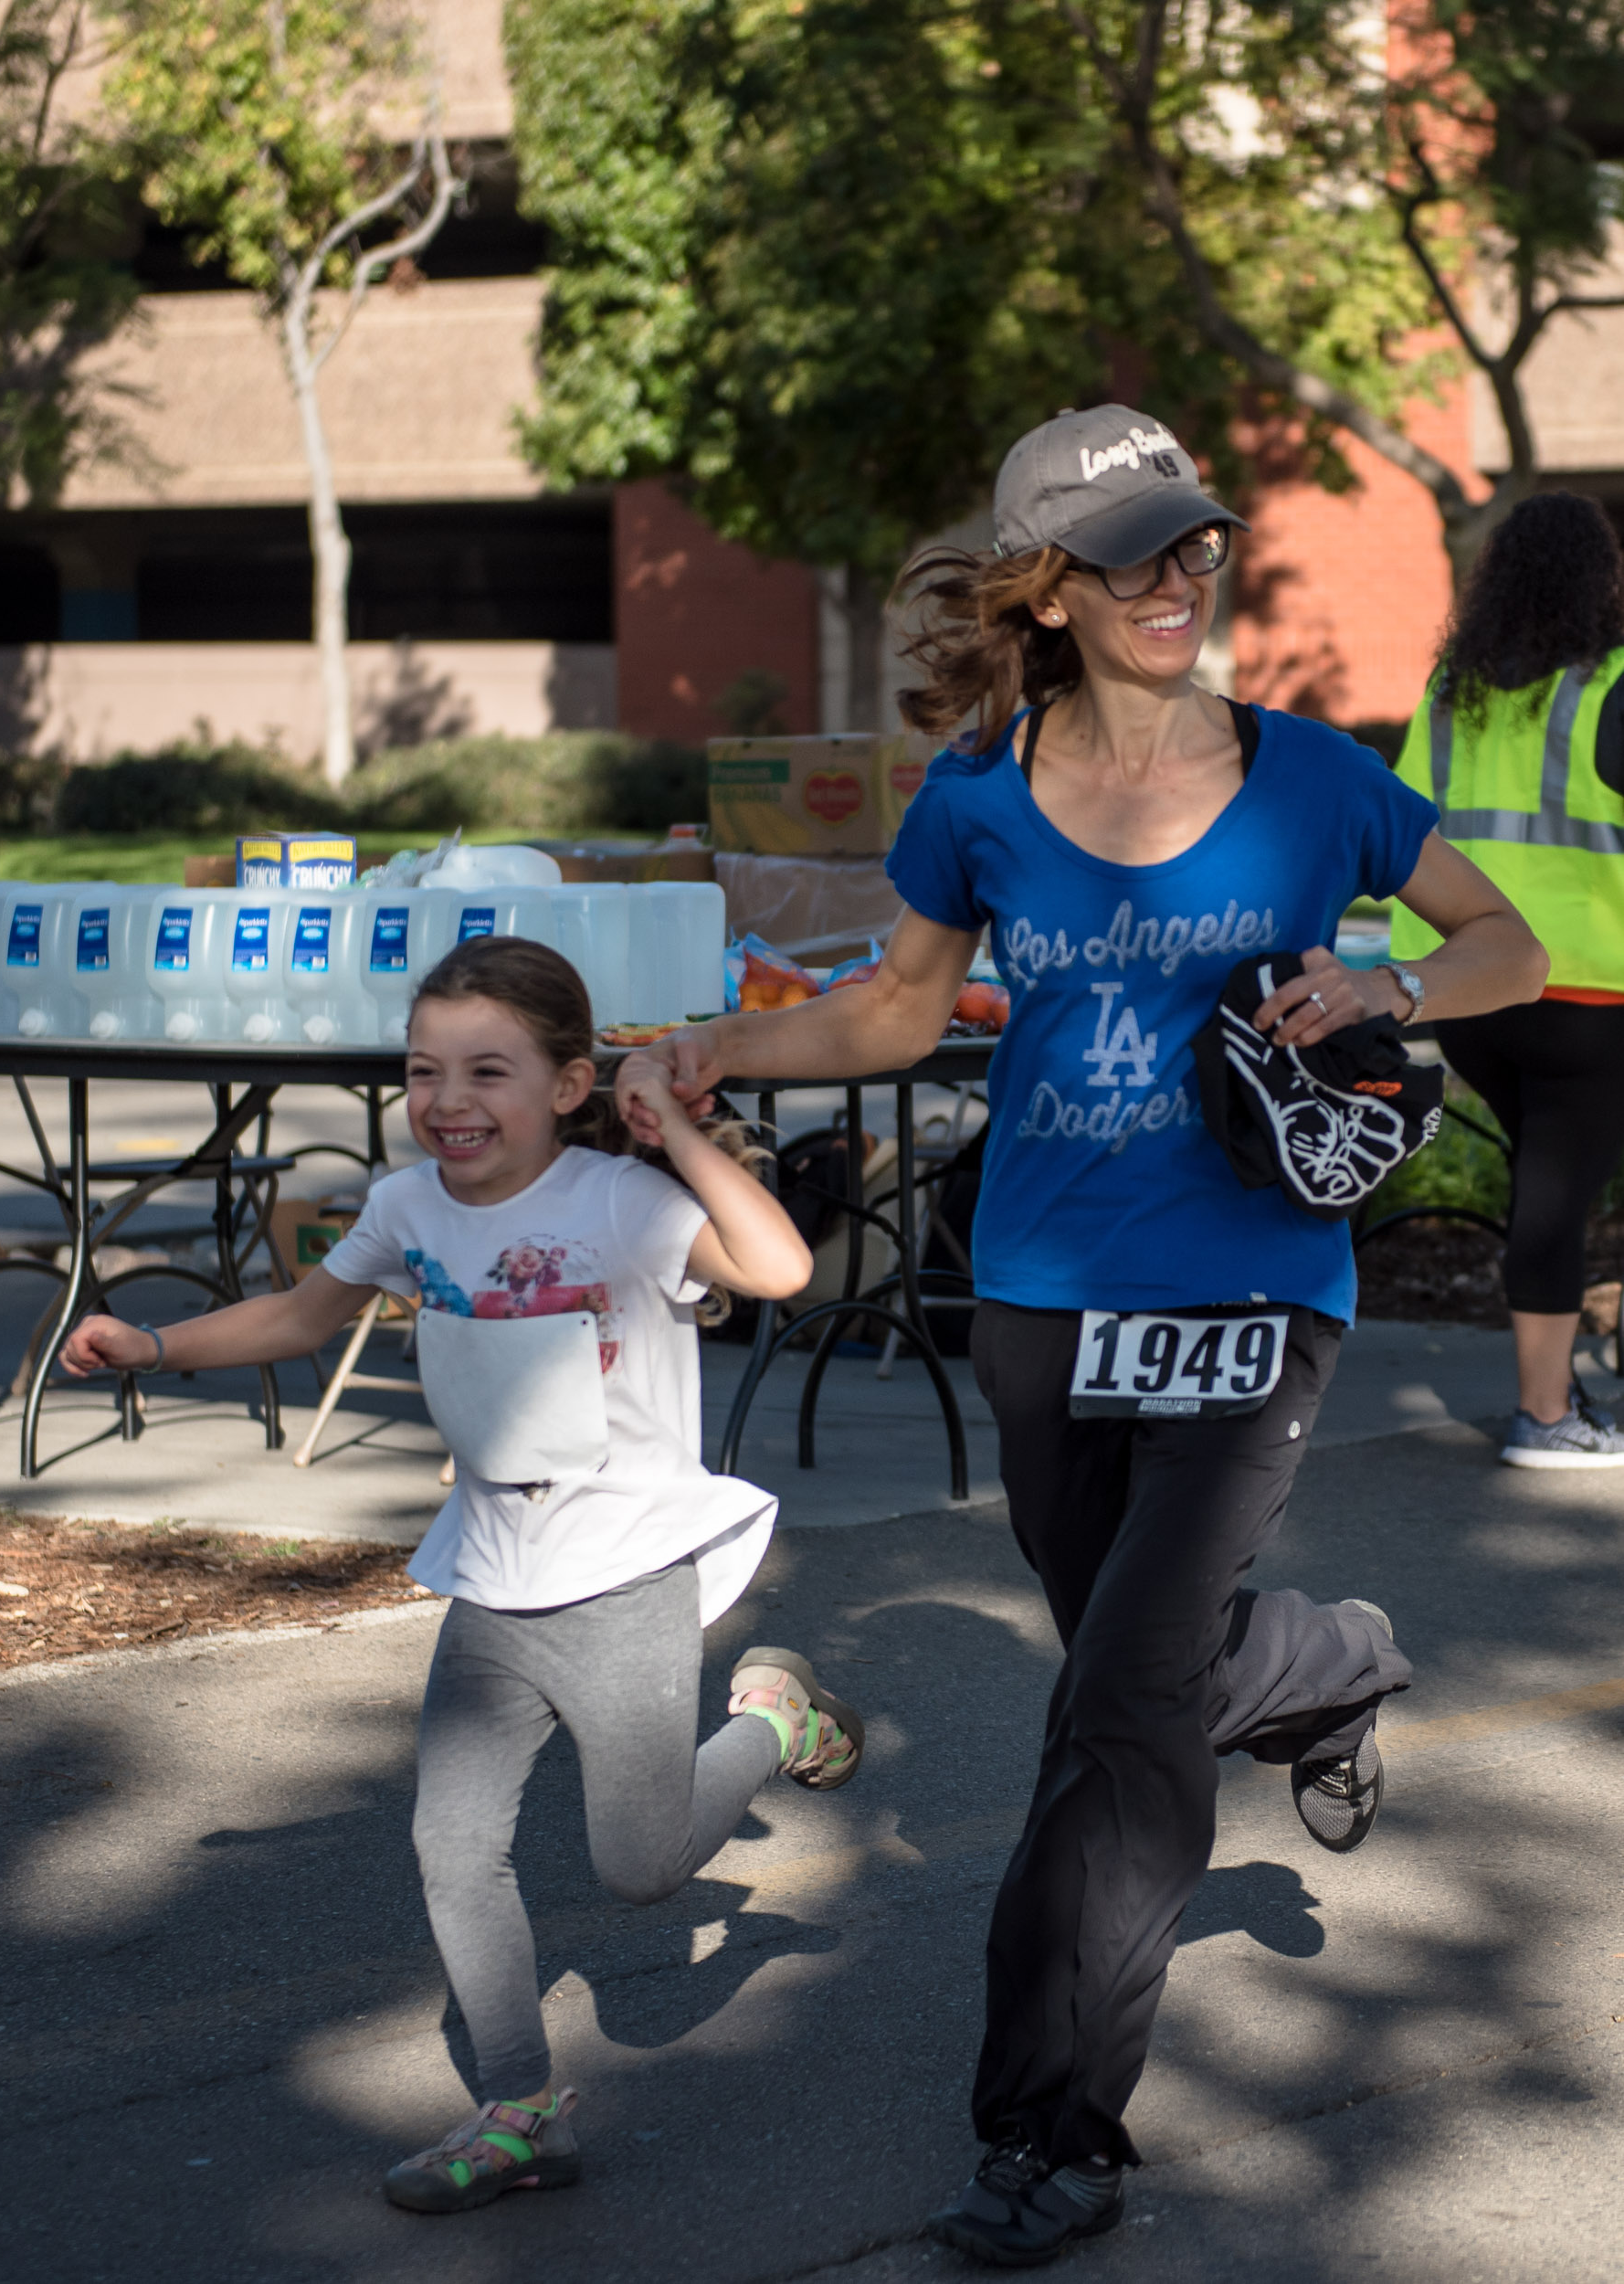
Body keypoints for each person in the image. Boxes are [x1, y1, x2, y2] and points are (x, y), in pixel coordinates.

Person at [620, 405, 1546, 2266]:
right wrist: (724, 1047)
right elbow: (893, 1013)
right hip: (1040, 1300)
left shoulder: (1314, 779)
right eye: (1129, 550)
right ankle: (1330, 1661)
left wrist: (1383, 973)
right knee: (1160, 1661)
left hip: (1255, 1292)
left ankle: (1051, 2125)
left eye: (1193, 541)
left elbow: (1506, 944)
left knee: (1115, 1708)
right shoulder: (974, 791)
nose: (1175, 577)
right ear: (1044, 583)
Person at [58, 934, 864, 2217]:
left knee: (641, 1868)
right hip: (492, 1579)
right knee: (451, 1845)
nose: (446, 1100)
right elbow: (300, 1317)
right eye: (424, 1069)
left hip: (621, 1577)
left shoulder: (616, 1200)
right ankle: (519, 2109)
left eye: (486, 1071)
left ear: (566, 1084)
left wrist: (678, 1134)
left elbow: (777, 1271)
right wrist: (155, 1342)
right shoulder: (407, 1209)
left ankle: (770, 1723)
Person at [1391, 491, 1624, 1467]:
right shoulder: (1611, 686)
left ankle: (1567, 1359)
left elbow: (1396, 824)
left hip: (1470, 994)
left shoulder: (1451, 690)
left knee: (1552, 1176)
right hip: (1585, 993)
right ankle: (1544, 1414)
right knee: (1558, 1190)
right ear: (1600, 580)